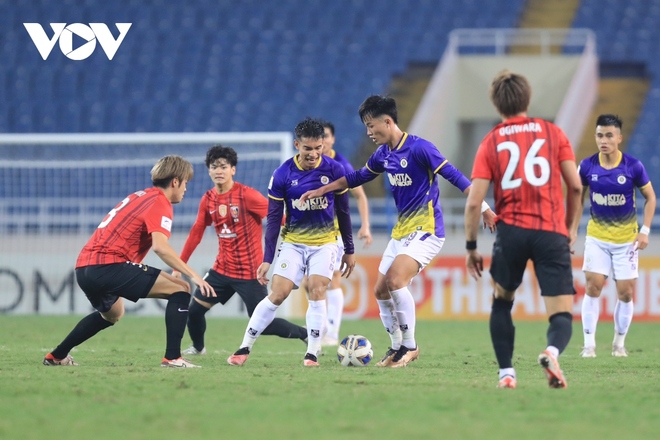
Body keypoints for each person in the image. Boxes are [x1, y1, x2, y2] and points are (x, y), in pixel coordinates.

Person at [300, 95, 496, 368]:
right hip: (401, 232)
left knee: (395, 281)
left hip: (427, 229)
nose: (368, 132)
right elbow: (358, 177)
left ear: (388, 121)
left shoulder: (420, 148)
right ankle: (395, 348)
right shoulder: (383, 154)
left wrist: (484, 207)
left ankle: (410, 346)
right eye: (366, 127)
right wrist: (323, 189)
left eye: (371, 125)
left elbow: (455, 175)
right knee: (380, 290)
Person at [464, 70, 583, 389]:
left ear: (496, 104)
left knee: (502, 301)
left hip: (512, 231)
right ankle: (551, 351)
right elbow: (574, 187)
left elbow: (474, 202)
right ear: (528, 98)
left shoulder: (491, 141)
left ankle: (506, 374)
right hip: (550, 232)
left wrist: (471, 247)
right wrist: (570, 228)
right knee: (561, 313)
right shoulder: (553, 133)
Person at [43, 155, 215, 368]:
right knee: (181, 288)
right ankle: (173, 358)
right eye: (185, 183)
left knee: (113, 314)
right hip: (108, 265)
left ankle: (57, 356)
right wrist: (195, 275)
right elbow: (160, 247)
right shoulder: (160, 202)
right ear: (175, 181)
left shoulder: (138, 196)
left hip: (84, 266)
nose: (185, 189)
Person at [226, 117, 356, 367]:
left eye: (318, 148)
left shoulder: (335, 170)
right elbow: (274, 219)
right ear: (297, 145)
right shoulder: (282, 174)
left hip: (326, 242)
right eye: (308, 148)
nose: (314, 154)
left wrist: (349, 249)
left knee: (318, 289)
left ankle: (312, 353)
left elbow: (344, 212)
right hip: (293, 243)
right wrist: (267, 259)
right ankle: (244, 347)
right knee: (278, 294)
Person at [173, 145, 308, 356]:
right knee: (195, 311)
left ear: (233, 170)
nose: (219, 171)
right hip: (221, 271)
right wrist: (179, 265)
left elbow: (277, 218)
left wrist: (302, 226)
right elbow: (196, 233)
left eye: (223, 167)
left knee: (263, 324)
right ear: (208, 170)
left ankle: (304, 333)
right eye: (214, 166)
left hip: (249, 274)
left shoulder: (247, 196)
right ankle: (198, 348)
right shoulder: (208, 199)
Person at [575, 114, 656, 358]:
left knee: (626, 293)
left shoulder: (633, 166)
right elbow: (577, 197)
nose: (604, 140)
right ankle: (589, 345)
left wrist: (645, 230)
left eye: (609, 135)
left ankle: (618, 345)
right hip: (597, 237)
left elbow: (651, 198)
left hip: (626, 240)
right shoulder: (587, 166)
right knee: (593, 285)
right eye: (600, 135)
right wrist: (571, 228)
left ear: (619, 138)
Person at [316, 120, 372, 347]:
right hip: (310, 233)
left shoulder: (341, 165)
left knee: (334, 279)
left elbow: (360, 195)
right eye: (320, 137)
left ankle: (332, 332)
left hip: (335, 232)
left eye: (326, 136)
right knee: (314, 283)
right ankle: (322, 328)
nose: (323, 140)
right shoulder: (308, 163)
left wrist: (365, 225)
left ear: (333, 139)